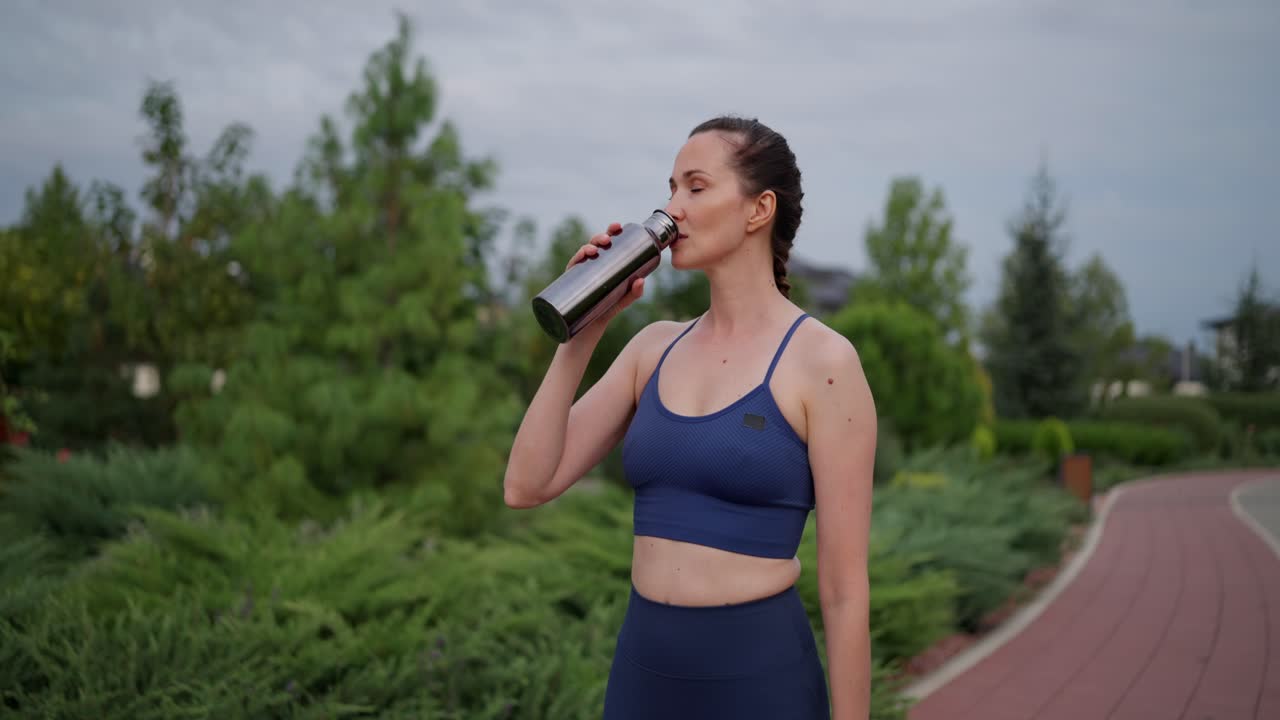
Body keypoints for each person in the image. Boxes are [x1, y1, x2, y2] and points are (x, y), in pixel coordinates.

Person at [503, 116, 876, 719]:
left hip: (760, 684)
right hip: (642, 681)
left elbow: (843, 591)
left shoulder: (824, 363)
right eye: (672, 188)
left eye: (695, 188)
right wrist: (582, 329)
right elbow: (526, 485)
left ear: (759, 210)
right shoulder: (653, 349)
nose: (672, 208)